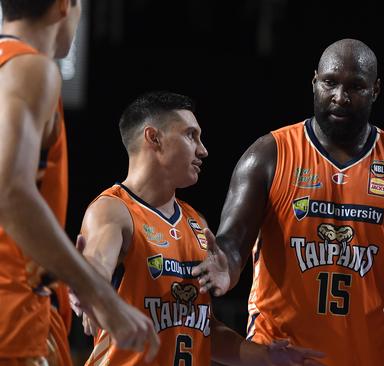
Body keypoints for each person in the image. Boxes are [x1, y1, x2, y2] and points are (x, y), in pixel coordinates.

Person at [191, 38, 384, 366]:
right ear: (314, 82)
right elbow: (233, 243)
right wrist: (226, 266)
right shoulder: (269, 155)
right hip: (281, 357)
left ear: (376, 90)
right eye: (330, 83)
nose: (340, 97)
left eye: (356, 86)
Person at [78, 91, 324, 365]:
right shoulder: (113, 210)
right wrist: (88, 286)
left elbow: (203, 330)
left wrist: (267, 355)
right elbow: (97, 264)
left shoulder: (196, 223)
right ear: (153, 138)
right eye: (190, 135)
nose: (203, 149)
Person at [0, 1, 159, 364]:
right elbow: (11, 194)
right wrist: (102, 296)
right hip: (12, 321)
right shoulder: (30, 68)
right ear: (64, 5)